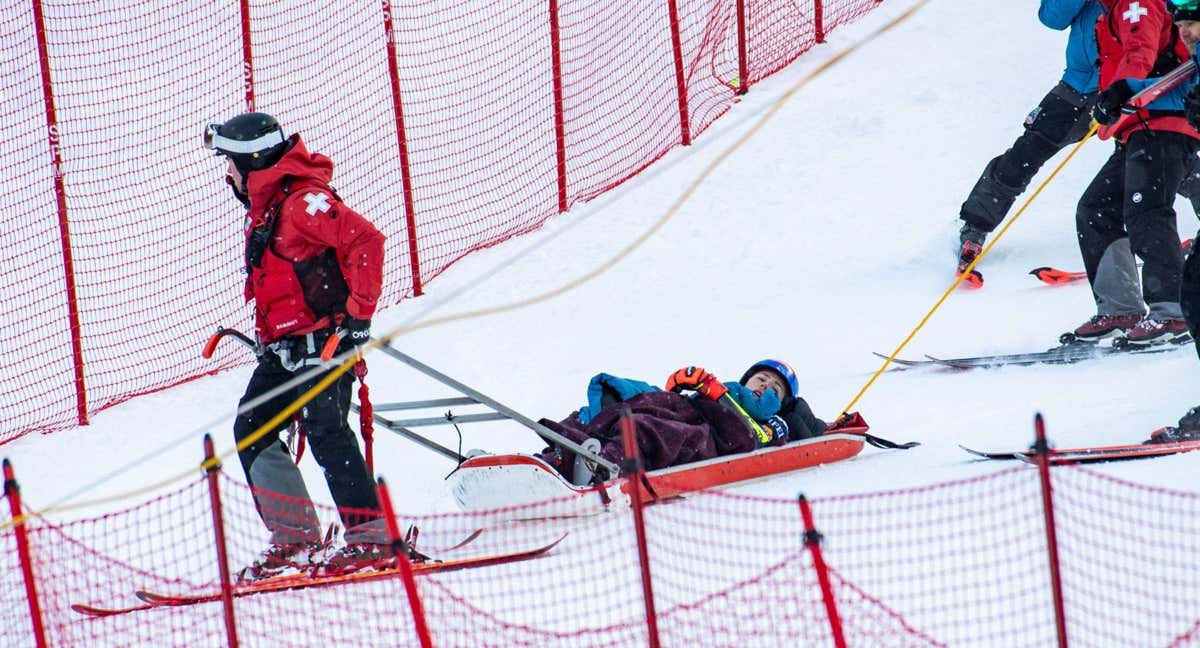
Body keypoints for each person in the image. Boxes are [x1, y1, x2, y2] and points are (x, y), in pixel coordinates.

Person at [204, 112, 390, 580]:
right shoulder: (268, 209)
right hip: (285, 348)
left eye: (231, 165)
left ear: (253, 163)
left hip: (326, 342)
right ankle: (296, 538)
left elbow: (365, 239)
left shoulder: (303, 203)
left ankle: (372, 539)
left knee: (326, 428)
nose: (228, 176)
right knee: (253, 427)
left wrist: (359, 317)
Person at [1065, 0, 1199, 347]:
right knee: (1096, 209)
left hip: (1162, 124)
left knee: (1147, 211)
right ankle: (1121, 307)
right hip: (1137, 126)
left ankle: (1172, 310)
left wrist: (1124, 88)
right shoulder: (1110, 9)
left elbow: (1141, 48)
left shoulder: (1135, 2)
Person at [955, 1, 1104, 280]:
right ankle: (975, 227)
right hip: (1078, 86)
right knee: (1024, 155)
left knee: (1155, 151)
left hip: (1132, 85)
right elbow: (1052, 18)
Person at [535, 359, 839, 485]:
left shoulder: (775, 421)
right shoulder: (730, 389)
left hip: (711, 435)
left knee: (648, 428)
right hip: (690, 410)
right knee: (631, 403)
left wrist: (716, 391)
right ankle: (557, 453)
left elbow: (762, 433)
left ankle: (601, 464)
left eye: (775, 389)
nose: (764, 387)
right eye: (761, 379)